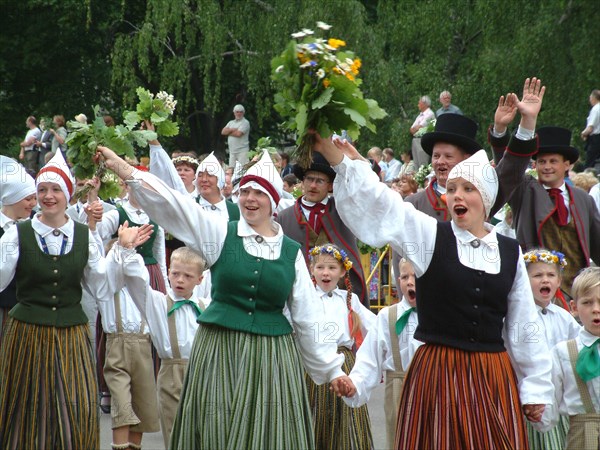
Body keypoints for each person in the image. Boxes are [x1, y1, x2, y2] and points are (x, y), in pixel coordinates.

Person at [94, 146, 350, 449]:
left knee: (267, 435)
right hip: (219, 350)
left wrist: (331, 369)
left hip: (271, 358)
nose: (250, 199)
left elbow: (307, 316)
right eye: (245, 192)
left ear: (272, 201)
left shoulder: (291, 253)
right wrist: (126, 170)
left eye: (259, 193)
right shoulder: (220, 233)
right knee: (217, 429)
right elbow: (175, 206)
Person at [319, 136, 553, 449]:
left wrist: (535, 389)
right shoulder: (431, 237)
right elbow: (388, 208)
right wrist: (337, 157)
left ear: (485, 198)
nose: (457, 195)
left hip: (491, 375)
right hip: (438, 373)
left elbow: (524, 325)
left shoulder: (509, 253)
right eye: (452, 188)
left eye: (467, 189)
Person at [0, 150, 108, 449]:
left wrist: (123, 255)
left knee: (76, 406)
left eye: (56, 189)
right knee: (27, 408)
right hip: (26, 333)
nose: (48, 196)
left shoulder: (85, 237)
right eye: (42, 190)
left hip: (72, 334)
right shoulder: (17, 234)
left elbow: (101, 285)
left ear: (68, 194)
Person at [408, 78, 545, 222]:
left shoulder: (483, 195)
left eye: (448, 156)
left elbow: (510, 172)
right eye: (436, 156)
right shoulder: (413, 204)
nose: (440, 161)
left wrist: (527, 122)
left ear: (467, 160)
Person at [111, 243, 207, 448]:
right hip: (171, 374)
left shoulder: (206, 306)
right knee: (174, 433)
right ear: (168, 273)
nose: (180, 280)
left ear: (200, 279)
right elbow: (137, 281)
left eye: (188, 276)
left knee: (202, 432)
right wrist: (128, 248)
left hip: (202, 373)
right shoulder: (157, 303)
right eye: (175, 273)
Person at [493, 124, 600, 297]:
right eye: (542, 161)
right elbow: (508, 170)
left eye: (553, 161)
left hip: (578, 294)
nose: (547, 166)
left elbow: (597, 243)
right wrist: (500, 132)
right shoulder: (525, 191)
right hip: (537, 291)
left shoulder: (583, 199)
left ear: (567, 165)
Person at [342, 258, 422, 449]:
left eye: (416, 276)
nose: (410, 281)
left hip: (435, 385)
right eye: (404, 277)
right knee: (399, 440)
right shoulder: (388, 316)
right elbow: (370, 357)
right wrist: (355, 384)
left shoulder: (440, 314)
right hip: (398, 387)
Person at [307, 244, 375, 450]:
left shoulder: (350, 299)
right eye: (320, 267)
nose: (325, 273)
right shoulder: (306, 298)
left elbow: (376, 328)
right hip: (314, 364)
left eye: (331, 268)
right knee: (315, 415)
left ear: (343, 271)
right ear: (311, 270)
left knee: (348, 419)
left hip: (345, 364)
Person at [276, 152, 368, 306]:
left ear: (331, 185)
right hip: (297, 299)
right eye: (309, 179)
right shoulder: (284, 218)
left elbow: (365, 194)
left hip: (339, 300)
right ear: (302, 182)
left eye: (319, 181)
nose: (312, 185)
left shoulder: (344, 212)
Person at [534, 267, 600, 449]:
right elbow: (552, 395)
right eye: (587, 303)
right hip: (582, 436)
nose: (596, 309)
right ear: (574, 307)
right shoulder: (562, 352)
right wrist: (540, 415)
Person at [523, 249, 581, 449]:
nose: (544, 280)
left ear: (558, 281)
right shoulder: (519, 316)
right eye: (537, 275)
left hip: (557, 398)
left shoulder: (564, 317)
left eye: (550, 275)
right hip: (530, 401)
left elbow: (577, 349)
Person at [0, 156, 36, 342]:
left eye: (35, 198)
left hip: (29, 308)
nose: (34, 204)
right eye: (28, 198)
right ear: (11, 198)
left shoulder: (36, 224)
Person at [409, 96, 435, 169]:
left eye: (419, 103)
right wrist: (416, 128)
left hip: (422, 140)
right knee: (416, 163)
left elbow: (419, 127)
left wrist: (416, 128)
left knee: (423, 163)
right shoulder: (420, 115)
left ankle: (424, 179)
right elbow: (411, 129)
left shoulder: (430, 114)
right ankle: (417, 179)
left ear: (425, 104)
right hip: (415, 140)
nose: (418, 105)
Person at [581, 89, 600, 169]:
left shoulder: (596, 109)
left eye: (590, 98)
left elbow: (590, 128)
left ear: (594, 97)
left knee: (589, 163)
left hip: (595, 139)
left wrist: (583, 133)